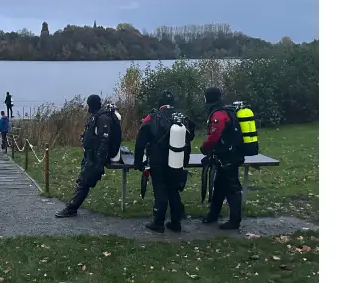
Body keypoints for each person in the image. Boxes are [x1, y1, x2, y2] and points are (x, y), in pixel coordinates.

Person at [56, 94, 122, 217]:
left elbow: (104, 142)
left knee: (84, 182)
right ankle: (72, 207)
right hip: (90, 155)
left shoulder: (102, 119)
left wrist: (99, 163)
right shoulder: (96, 116)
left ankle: (72, 208)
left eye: (88, 105)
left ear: (91, 105)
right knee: (82, 181)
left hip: (95, 158)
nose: (87, 108)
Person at [134, 91, 190, 232]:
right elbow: (189, 140)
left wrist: (137, 162)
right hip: (176, 161)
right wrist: (185, 161)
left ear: (160, 104)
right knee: (173, 191)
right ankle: (176, 223)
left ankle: (158, 223)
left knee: (160, 190)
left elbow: (140, 142)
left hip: (158, 161)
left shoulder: (151, 118)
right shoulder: (181, 119)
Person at [199, 87, 243, 229]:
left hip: (228, 157)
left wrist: (205, 147)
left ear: (208, 98)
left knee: (232, 189)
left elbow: (214, 136)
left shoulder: (218, 114)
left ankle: (235, 221)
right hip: (229, 155)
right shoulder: (227, 110)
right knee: (219, 187)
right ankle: (213, 215)